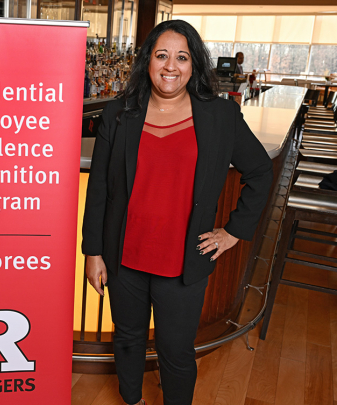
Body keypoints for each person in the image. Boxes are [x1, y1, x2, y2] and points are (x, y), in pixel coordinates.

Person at [81, 20, 273, 405]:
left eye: (182, 57)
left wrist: (232, 232)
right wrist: (93, 252)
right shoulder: (120, 113)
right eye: (162, 55)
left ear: (195, 64)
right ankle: (132, 399)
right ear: (147, 61)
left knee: (177, 352)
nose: (171, 66)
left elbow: (260, 172)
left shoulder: (221, 117)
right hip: (125, 258)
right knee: (128, 338)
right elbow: (100, 187)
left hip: (184, 262)